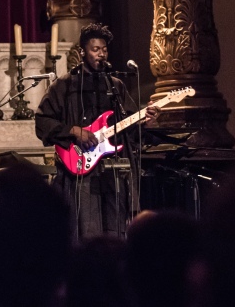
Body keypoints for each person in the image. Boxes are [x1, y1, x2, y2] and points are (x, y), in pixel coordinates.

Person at [35, 22, 157, 239]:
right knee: (84, 231)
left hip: (113, 171)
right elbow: (42, 121)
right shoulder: (65, 85)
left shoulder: (116, 85)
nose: (101, 54)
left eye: (104, 49)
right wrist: (73, 131)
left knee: (115, 231)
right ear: (83, 52)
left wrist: (144, 122)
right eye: (95, 49)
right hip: (79, 170)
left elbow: (129, 126)